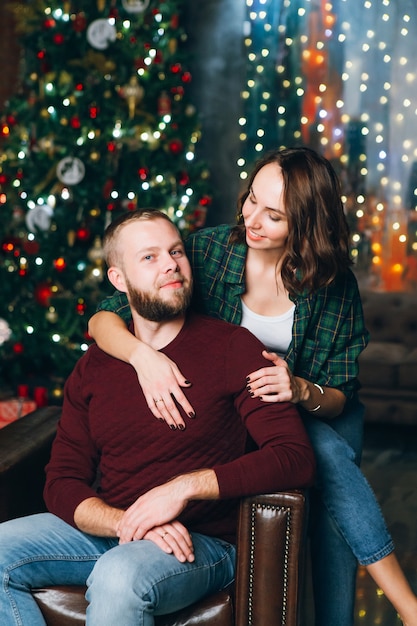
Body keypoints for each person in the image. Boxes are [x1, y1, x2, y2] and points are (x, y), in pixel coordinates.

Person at [89, 147, 417, 626]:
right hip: (239, 410)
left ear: (306, 225)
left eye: (274, 214)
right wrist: (145, 359)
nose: (252, 219)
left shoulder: (332, 282)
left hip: (318, 409)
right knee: (318, 455)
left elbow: (340, 389)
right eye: (251, 200)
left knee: (327, 474)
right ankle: (410, 608)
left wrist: (300, 389)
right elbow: (102, 318)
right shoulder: (208, 252)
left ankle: (395, 608)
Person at [0, 210, 315, 626]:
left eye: (176, 251)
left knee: (120, 575)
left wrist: (183, 488)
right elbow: (62, 481)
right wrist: (129, 524)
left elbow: (295, 457)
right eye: (149, 257)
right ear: (118, 279)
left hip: (200, 543)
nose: (171, 264)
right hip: (116, 530)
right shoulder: (93, 368)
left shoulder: (233, 347)